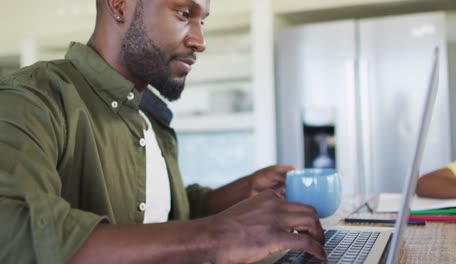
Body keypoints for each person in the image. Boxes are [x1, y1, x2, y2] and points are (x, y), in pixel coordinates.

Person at [0, 0, 327, 263]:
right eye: (185, 14)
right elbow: (12, 228)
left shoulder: (150, 118)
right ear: (119, 5)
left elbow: (160, 217)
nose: (200, 41)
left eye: (203, 21)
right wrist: (216, 236)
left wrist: (238, 194)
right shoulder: (33, 99)